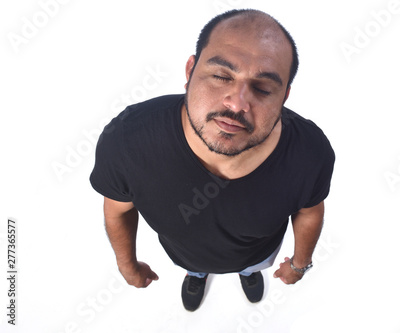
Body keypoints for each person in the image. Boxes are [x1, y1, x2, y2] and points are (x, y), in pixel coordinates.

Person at [90, 8, 335, 312]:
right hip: (184, 255)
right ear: (190, 71)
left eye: (262, 88)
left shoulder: (311, 153)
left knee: (251, 266)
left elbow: (309, 212)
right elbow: (117, 210)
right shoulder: (127, 140)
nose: (237, 103)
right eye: (221, 76)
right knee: (195, 265)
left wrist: (299, 265)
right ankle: (197, 275)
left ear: (283, 96)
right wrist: (127, 266)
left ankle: (247, 273)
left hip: (258, 254)